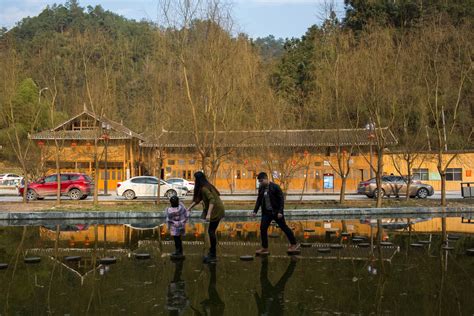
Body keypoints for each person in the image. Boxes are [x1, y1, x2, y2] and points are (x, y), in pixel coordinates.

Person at [253, 172, 299, 255]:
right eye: (259, 181)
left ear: (266, 179)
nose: (260, 182)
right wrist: (255, 211)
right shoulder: (261, 188)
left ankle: (294, 244)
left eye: (261, 180)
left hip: (276, 212)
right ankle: (264, 248)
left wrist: (280, 211)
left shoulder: (275, 187)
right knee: (263, 228)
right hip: (266, 213)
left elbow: (281, 200)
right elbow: (259, 200)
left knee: (284, 227)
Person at [187, 171, 225, 263]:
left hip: (216, 210)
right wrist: (189, 208)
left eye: (195, 179)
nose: (194, 180)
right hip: (217, 208)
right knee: (211, 231)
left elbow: (212, 199)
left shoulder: (204, 188)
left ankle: (213, 254)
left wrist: (208, 214)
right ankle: (212, 252)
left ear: (198, 180)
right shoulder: (206, 186)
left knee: (211, 231)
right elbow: (198, 199)